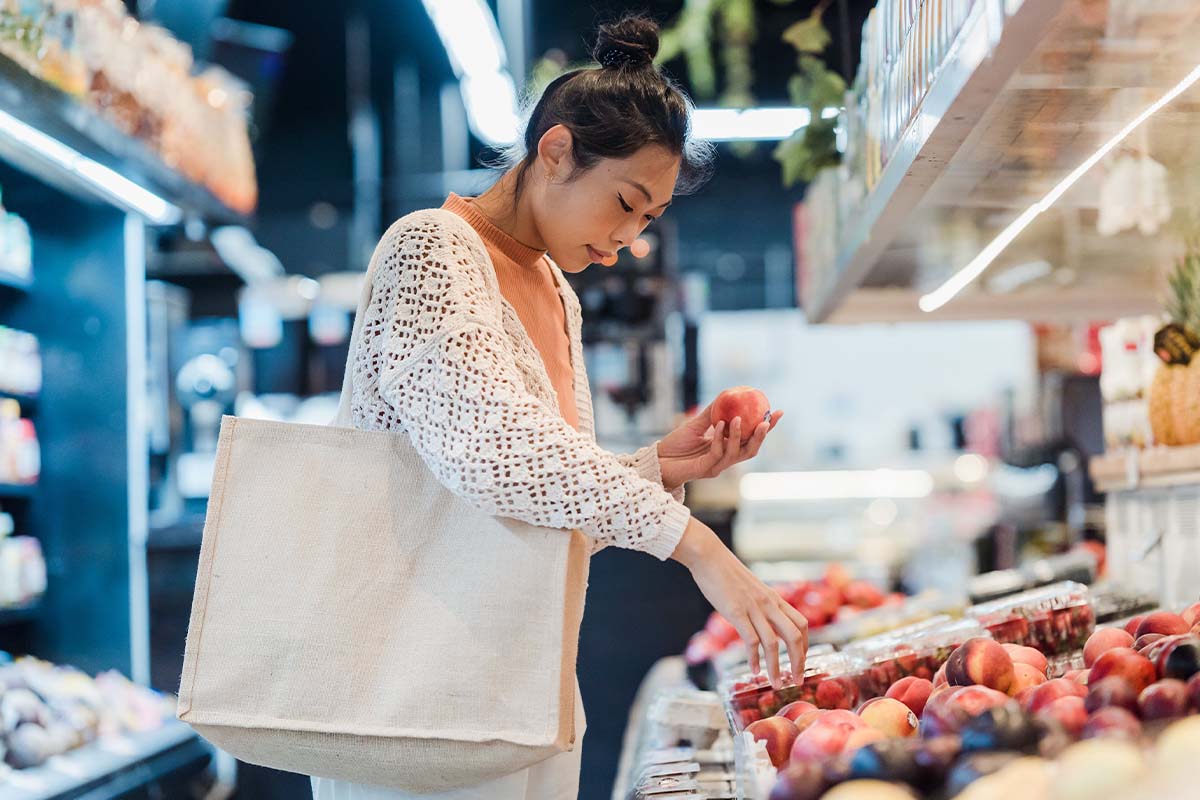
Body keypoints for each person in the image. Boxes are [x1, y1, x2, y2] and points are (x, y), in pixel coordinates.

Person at [311, 14, 808, 800]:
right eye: (625, 203)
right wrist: (697, 546)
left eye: (648, 218)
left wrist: (655, 469)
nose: (628, 239)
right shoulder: (430, 250)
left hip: (528, 690)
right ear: (555, 152)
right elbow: (492, 452)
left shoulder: (557, 292)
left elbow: (535, 508)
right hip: (413, 703)